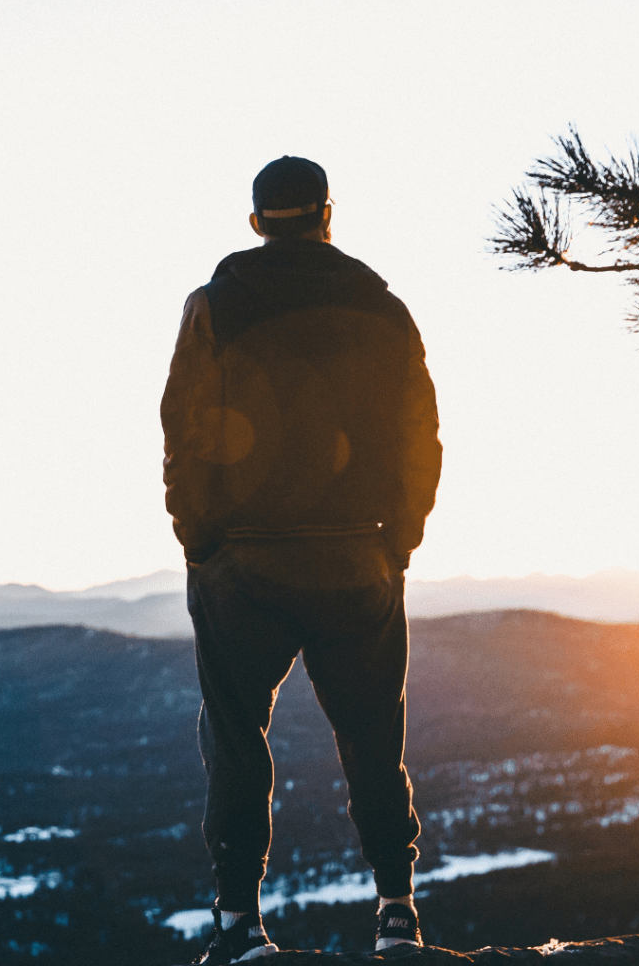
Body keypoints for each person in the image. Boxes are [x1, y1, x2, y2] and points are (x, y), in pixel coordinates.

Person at [161, 156, 442, 963]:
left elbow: (184, 429)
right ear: (328, 214)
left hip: (244, 563)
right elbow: (418, 433)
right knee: (371, 739)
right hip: (358, 554)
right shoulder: (382, 306)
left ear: (256, 223)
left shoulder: (213, 306)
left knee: (237, 738)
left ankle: (241, 927)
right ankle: (396, 914)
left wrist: (200, 540)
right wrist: (401, 540)